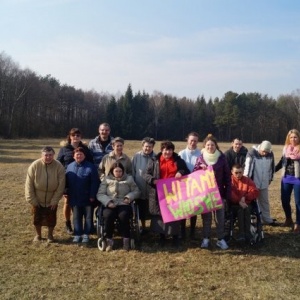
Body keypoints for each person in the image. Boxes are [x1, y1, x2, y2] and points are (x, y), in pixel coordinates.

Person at [144, 140, 190, 247]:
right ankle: (162, 237)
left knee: (175, 214)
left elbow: (186, 171)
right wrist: (152, 180)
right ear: (161, 150)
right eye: (165, 150)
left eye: (169, 150)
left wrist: (180, 172)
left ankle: (175, 237)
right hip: (159, 191)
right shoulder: (154, 160)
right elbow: (146, 174)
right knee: (161, 215)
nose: (167, 152)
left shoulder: (178, 160)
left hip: (175, 192)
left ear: (173, 151)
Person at [193, 134, 231, 250]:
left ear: (216, 146)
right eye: (208, 145)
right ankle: (206, 238)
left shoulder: (222, 158)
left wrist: (226, 195)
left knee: (220, 218)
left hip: (219, 193)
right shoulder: (200, 158)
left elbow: (227, 177)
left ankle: (220, 239)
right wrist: (200, 167)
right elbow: (194, 175)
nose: (210, 147)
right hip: (205, 194)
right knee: (207, 218)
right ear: (205, 146)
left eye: (212, 145)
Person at [25, 146, 65, 243]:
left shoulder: (59, 166)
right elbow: (28, 184)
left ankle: (50, 235)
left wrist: (55, 200)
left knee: (51, 218)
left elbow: (61, 185)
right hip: (37, 198)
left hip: (52, 198)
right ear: (42, 155)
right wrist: (32, 200)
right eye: (46, 155)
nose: (48, 157)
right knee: (37, 218)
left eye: (50, 155)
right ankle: (38, 235)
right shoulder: (34, 165)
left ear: (53, 155)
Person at [97, 162, 140, 251]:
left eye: (120, 171)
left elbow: (136, 191)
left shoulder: (129, 179)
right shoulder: (107, 180)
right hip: (110, 203)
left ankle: (126, 241)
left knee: (124, 216)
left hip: (123, 203)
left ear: (123, 171)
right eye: (116, 171)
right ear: (112, 171)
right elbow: (100, 194)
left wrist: (128, 197)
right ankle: (109, 241)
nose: (118, 173)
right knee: (108, 216)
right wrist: (108, 202)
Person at [57, 127, 93, 234]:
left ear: (81, 137)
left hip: (83, 180)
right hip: (68, 180)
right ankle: (68, 223)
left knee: (81, 203)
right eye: (73, 135)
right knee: (68, 202)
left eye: (78, 135)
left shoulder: (85, 149)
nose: (76, 137)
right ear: (70, 137)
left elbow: (91, 162)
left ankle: (82, 224)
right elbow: (59, 164)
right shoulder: (64, 149)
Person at [65, 147, 100, 243]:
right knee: (76, 216)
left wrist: (93, 195)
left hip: (88, 197)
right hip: (74, 197)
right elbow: (66, 181)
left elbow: (95, 182)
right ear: (73, 156)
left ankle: (86, 234)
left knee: (88, 217)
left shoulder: (91, 167)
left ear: (84, 156)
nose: (79, 156)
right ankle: (77, 234)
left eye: (81, 154)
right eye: (77, 155)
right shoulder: (69, 167)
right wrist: (66, 191)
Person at [244, 140, 279, 226]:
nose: (265, 153)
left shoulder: (270, 154)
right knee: (251, 201)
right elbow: (247, 169)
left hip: (264, 182)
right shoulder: (252, 153)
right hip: (253, 183)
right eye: (263, 151)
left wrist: (270, 178)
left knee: (264, 201)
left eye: (267, 152)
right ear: (260, 148)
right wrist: (247, 182)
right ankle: (253, 220)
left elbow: (272, 167)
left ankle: (266, 219)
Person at [275, 129, 300, 232]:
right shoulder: (286, 149)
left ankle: (298, 223)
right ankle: (288, 219)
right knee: (285, 201)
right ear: (288, 139)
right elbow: (282, 162)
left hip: (298, 179)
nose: (293, 139)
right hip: (286, 178)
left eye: (295, 137)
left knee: (298, 202)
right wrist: (273, 170)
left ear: (298, 138)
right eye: (291, 137)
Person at [178, 131, 201, 240]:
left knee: (194, 209)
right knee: (183, 209)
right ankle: (182, 231)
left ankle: (192, 231)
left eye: (195, 141)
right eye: (191, 140)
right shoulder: (181, 154)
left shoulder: (200, 154)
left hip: (196, 185)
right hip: (183, 185)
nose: (193, 142)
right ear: (187, 140)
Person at [132, 137, 156, 234]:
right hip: (139, 188)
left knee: (151, 209)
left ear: (153, 147)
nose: (148, 149)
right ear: (142, 146)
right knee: (140, 210)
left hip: (151, 189)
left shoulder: (156, 157)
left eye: (150, 147)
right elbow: (133, 171)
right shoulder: (136, 156)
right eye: (146, 146)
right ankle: (143, 227)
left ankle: (153, 228)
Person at [230, 164, 259, 242]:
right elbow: (229, 193)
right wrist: (239, 201)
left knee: (245, 209)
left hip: (246, 203)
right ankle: (241, 233)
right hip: (234, 204)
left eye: (240, 172)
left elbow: (255, 192)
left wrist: (245, 197)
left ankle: (247, 233)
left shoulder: (248, 180)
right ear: (232, 172)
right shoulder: (229, 181)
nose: (238, 174)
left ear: (243, 172)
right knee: (240, 209)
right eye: (236, 172)